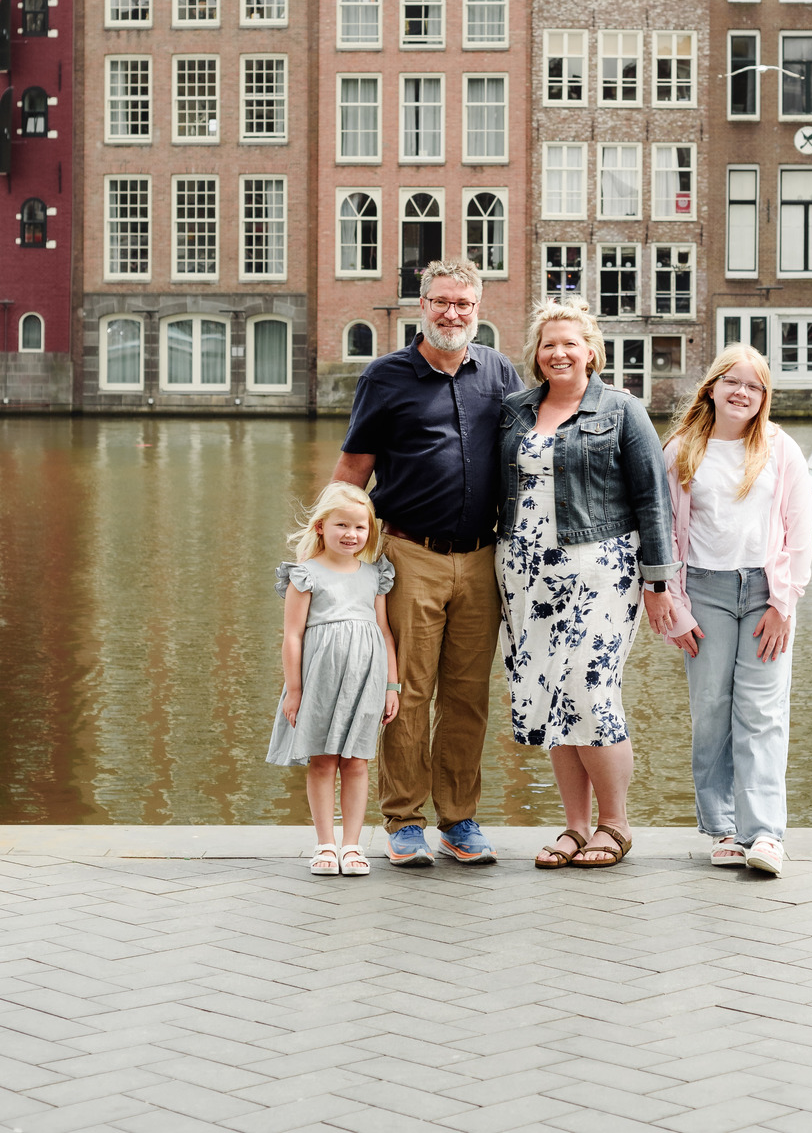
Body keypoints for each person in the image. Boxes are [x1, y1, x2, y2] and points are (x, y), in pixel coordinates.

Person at [332, 259, 522, 867]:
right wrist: (332, 558)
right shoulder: (386, 376)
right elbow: (352, 474)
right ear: (422, 305)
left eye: (464, 304)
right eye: (442, 302)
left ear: (479, 308)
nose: (453, 314)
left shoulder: (498, 371)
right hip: (410, 553)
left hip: (483, 558)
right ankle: (403, 819)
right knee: (406, 692)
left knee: (467, 696)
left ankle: (459, 820)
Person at [496, 299, 677, 870]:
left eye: (571, 342)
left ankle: (615, 824)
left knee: (592, 691)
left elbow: (653, 499)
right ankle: (574, 826)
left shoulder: (622, 410)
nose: (560, 353)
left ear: (591, 351)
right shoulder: (515, 411)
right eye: (549, 344)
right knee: (552, 694)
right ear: (536, 355)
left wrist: (659, 582)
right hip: (525, 572)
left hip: (600, 567)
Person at [659, 343, 812, 879]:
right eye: (732, 381)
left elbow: (800, 531)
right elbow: (663, 534)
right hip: (705, 591)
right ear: (712, 387)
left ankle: (764, 833)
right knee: (711, 710)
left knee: (763, 713)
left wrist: (784, 602)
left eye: (754, 385)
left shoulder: (780, 449)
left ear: (764, 396)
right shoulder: (681, 450)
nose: (742, 392)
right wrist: (671, 603)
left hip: (764, 594)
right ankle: (722, 828)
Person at [265, 483, 399, 877]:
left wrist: (392, 686)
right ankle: (325, 845)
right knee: (323, 761)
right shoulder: (305, 575)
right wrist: (294, 690)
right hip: (318, 679)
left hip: (366, 679)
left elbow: (385, 631)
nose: (351, 534)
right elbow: (293, 635)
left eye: (360, 528)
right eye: (342, 525)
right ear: (321, 526)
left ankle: (353, 846)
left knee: (356, 761)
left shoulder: (375, 574)